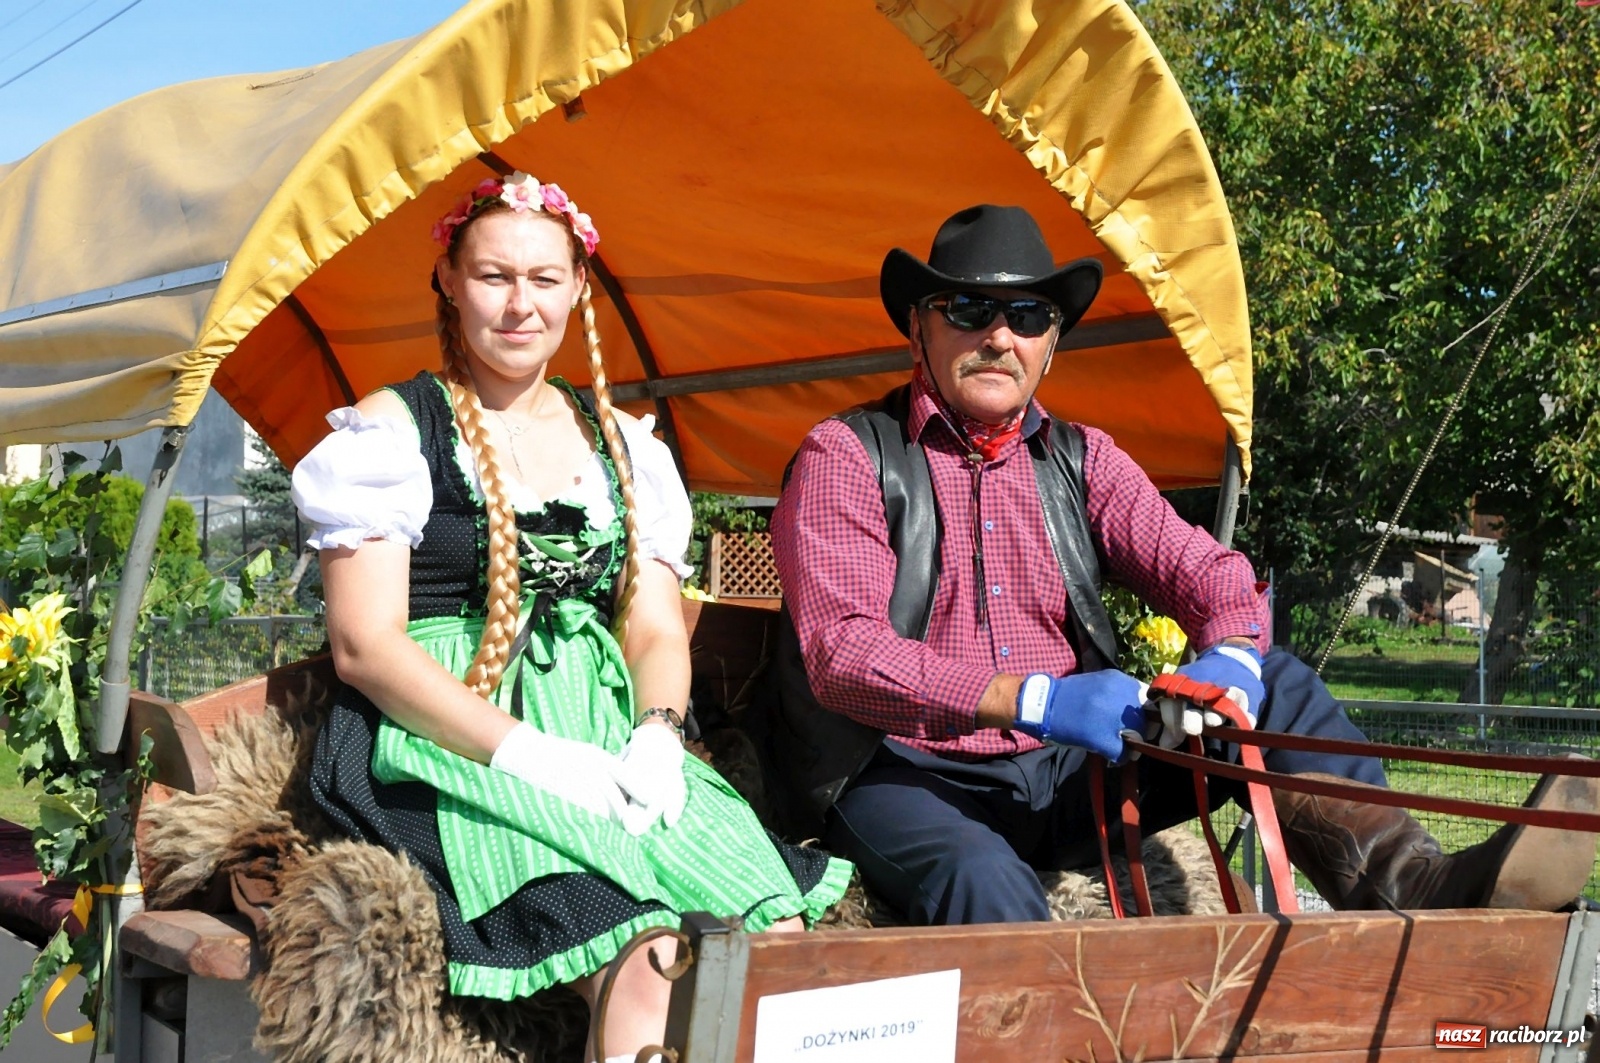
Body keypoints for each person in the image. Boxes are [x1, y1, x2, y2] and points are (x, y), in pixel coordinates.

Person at [766, 203, 1598, 926]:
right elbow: (844, 653)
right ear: (920, 323)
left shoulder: (1084, 461)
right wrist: (1034, 698)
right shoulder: (846, 455)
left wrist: (1230, 656)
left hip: (1061, 772)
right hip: (906, 772)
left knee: (1275, 680)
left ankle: (1417, 884)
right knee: (983, 879)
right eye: (970, 307)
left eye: (1026, 315)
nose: (999, 335)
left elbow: (1211, 573)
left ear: (1051, 341)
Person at [291, 172, 850, 1061]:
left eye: (544, 279)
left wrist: (660, 736)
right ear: (448, 279)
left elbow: (657, 628)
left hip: (610, 737)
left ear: (579, 287)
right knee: (650, 960)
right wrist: (529, 752)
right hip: (446, 744)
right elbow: (366, 647)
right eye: (494, 277)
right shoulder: (395, 430)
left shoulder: (623, 445)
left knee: (768, 954)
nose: (521, 305)